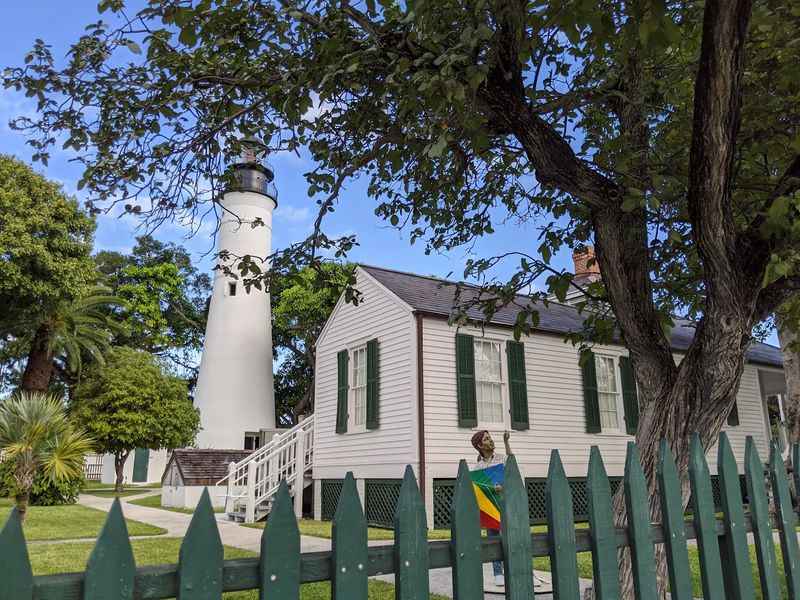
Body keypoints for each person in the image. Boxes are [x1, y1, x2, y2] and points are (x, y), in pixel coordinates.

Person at [471, 429, 512, 589]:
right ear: (480, 445)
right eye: (487, 439)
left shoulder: (501, 458)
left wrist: (506, 442)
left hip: (505, 504)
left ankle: (511, 568)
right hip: (490, 508)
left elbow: (512, 464)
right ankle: (498, 574)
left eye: (490, 438)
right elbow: (478, 487)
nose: (491, 441)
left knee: (508, 539)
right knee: (493, 540)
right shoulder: (478, 466)